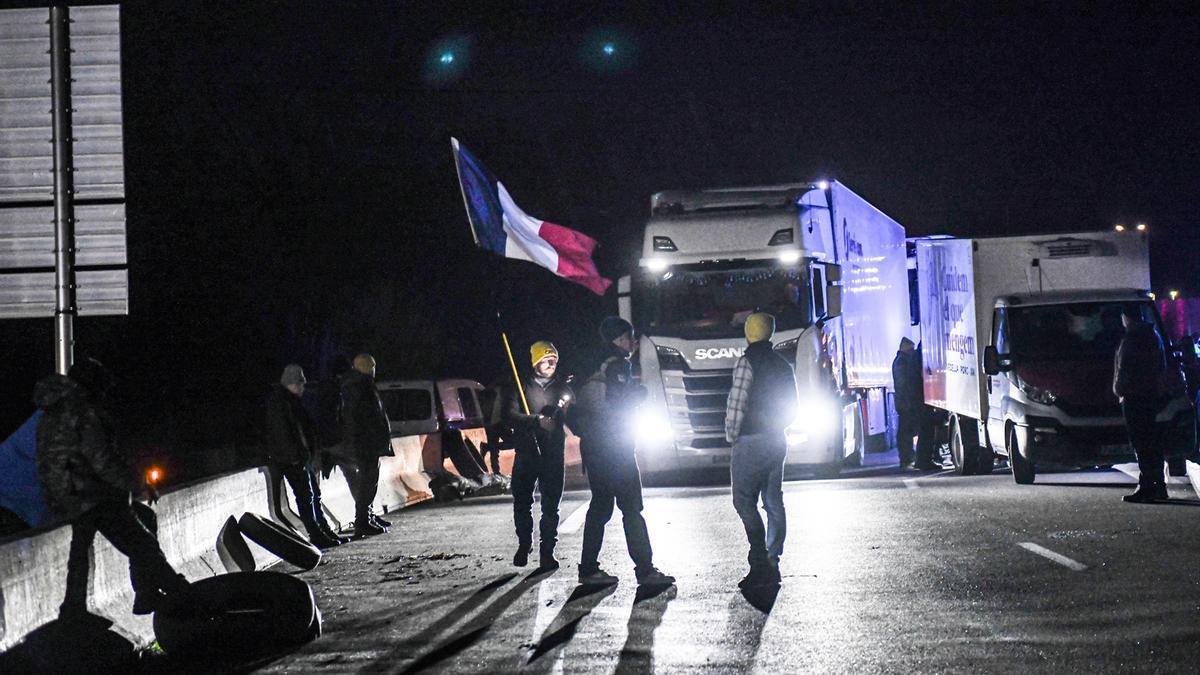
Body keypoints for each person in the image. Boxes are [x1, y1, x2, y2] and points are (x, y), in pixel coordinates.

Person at [34, 357, 191, 619]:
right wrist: (137, 484)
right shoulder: (83, 412)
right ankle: (170, 590)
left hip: (63, 493)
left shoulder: (51, 412)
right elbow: (102, 460)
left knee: (80, 552)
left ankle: (74, 608)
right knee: (141, 543)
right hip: (92, 494)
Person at [573, 317, 675, 587]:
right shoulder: (618, 365)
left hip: (594, 448)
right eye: (630, 336)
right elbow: (618, 404)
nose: (633, 341)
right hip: (615, 449)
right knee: (632, 509)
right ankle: (646, 571)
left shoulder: (593, 364)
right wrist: (638, 394)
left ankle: (588, 570)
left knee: (601, 507)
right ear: (619, 339)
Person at [724, 312, 797, 589]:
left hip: (751, 439)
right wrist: (778, 426)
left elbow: (737, 402)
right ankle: (772, 558)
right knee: (773, 500)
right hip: (776, 439)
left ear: (749, 332)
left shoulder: (747, 362)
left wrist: (732, 434)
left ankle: (758, 562)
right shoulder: (782, 364)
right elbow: (793, 406)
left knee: (743, 501)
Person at [505, 341, 573, 570]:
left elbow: (575, 414)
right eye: (546, 359)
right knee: (522, 501)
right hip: (526, 453)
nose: (551, 363)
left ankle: (547, 552)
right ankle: (525, 543)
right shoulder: (520, 386)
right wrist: (535, 420)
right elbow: (509, 415)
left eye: (554, 359)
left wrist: (568, 411)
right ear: (535, 362)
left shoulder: (562, 387)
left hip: (553, 455)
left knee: (551, 505)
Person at [266, 364, 347, 549]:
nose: (303, 388)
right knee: (306, 495)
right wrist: (295, 456)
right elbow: (283, 432)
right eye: (300, 384)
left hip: (300, 457)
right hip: (292, 459)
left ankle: (322, 530)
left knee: (312, 494)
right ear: (292, 384)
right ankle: (316, 534)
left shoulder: (290, 401)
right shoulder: (282, 403)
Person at [1113, 306, 1169, 503]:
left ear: (1125, 317)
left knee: (1141, 442)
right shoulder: (1153, 337)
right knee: (1152, 441)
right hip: (1151, 395)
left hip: (1134, 396)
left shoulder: (1131, 340)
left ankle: (1146, 486)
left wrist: (1119, 389)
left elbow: (1124, 369)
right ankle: (1159, 485)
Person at [341, 353, 394, 535]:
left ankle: (366, 518)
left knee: (368, 483)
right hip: (366, 446)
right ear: (369, 368)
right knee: (367, 483)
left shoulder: (359, 387)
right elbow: (363, 420)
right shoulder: (362, 388)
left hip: (367, 445)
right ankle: (362, 521)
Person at [892, 337, 934, 469]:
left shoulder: (901, 361)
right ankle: (907, 458)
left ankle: (908, 457)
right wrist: (911, 400)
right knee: (906, 431)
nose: (913, 352)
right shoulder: (902, 363)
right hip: (906, 402)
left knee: (906, 431)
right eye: (911, 349)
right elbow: (904, 384)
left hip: (906, 402)